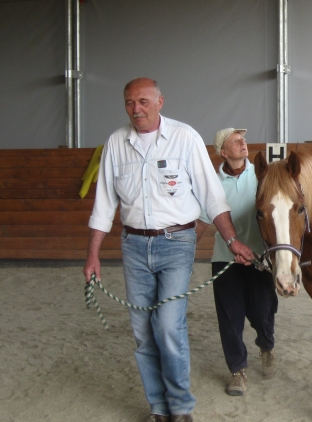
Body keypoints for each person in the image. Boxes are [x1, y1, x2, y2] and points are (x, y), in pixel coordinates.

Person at [83, 78, 254, 422]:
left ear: (160, 101)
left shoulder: (185, 137)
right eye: (130, 103)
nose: (137, 109)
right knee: (143, 332)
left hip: (177, 243)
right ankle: (159, 408)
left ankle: (180, 407)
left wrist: (232, 240)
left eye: (144, 101)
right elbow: (103, 205)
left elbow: (212, 196)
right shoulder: (116, 143)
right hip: (133, 246)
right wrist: (93, 255)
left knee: (167, 325)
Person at [196, 128, 278, 397]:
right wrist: (182, 253)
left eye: (243, 139)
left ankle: (266, 346)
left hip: (260, 260)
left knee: (263, 313)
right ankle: (238, 371)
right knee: (230, 318)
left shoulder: (262, 174)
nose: (243, 142)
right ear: (223, 151)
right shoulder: (213, 182)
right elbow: (201, 222)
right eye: (235, 140)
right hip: (225, 260)